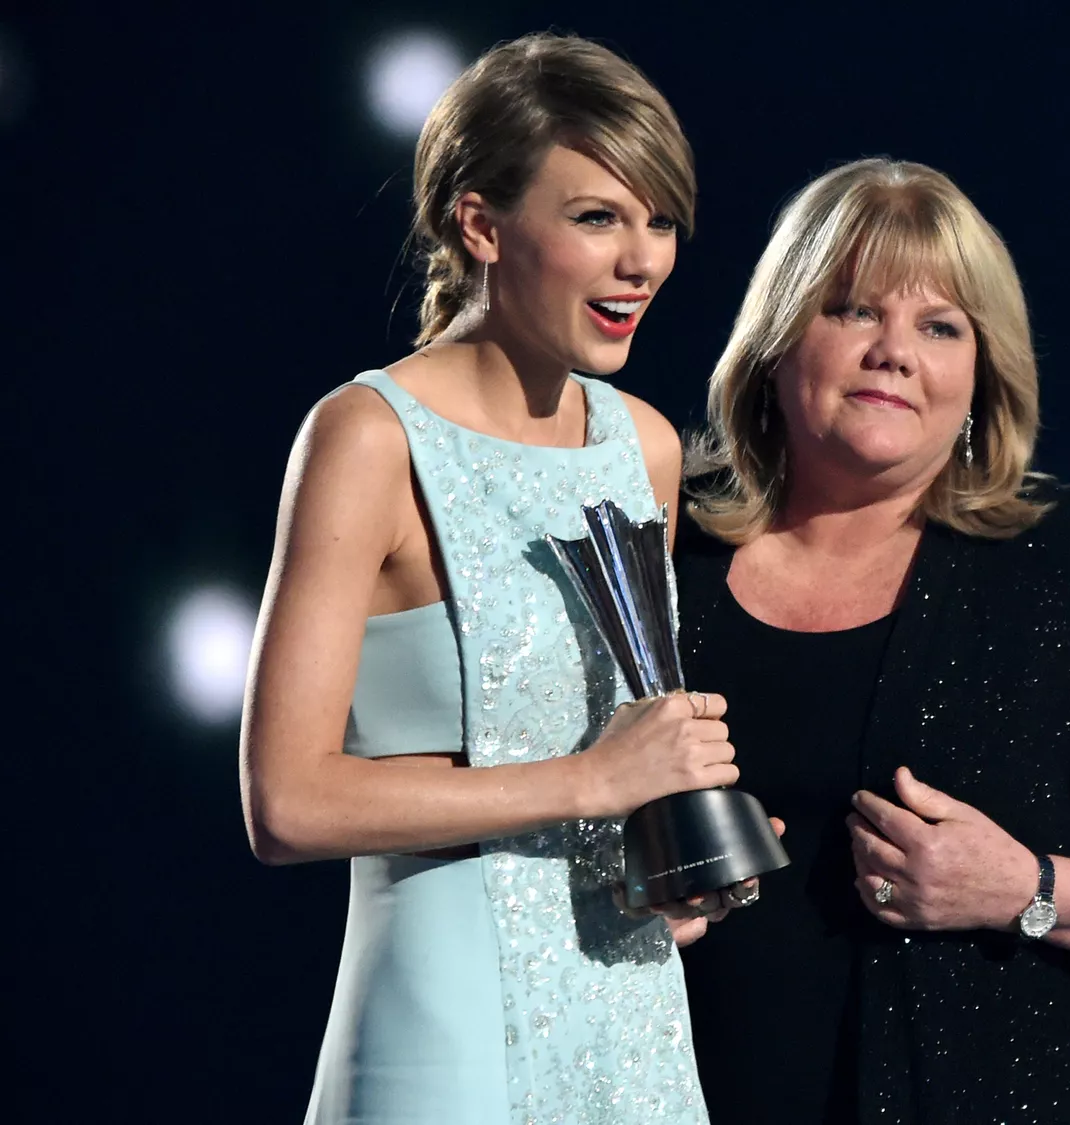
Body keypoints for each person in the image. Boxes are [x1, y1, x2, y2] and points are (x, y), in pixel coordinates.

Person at [674, 157, 1070, 1124]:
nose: (894, 351)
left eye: (939, 326)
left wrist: (1025, 887)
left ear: (981, 371)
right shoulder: (662, 550)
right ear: (778, 339)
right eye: (853, 310)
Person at [238, 33, 747, 1125]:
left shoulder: (644, 449)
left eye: (659, 221)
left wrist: (666, 855)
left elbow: (619, 757)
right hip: (443, 1025)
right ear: (481, 224)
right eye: (598, 217)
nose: (643, 260)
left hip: (631, 1021)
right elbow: (284, 799)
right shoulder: (368, 438)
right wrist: (591, 785)